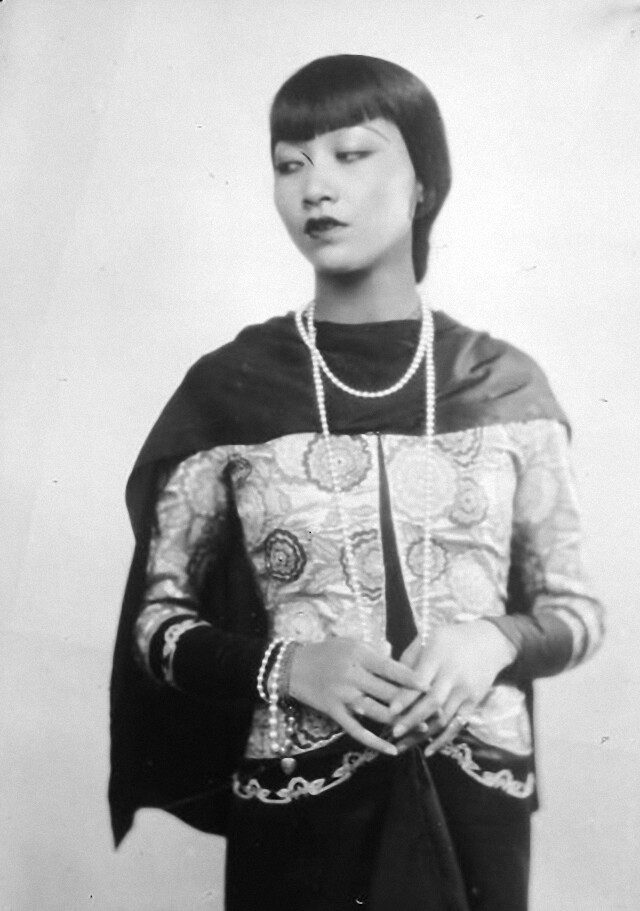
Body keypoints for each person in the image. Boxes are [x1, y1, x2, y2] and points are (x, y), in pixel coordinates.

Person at [109, 55, 604, 911]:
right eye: (291, 163)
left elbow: (577, 609)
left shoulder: (504, 385)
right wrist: (286, 665)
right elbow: (156, 626)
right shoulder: (228, 390)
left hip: (475, 800)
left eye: (351, 154)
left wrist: (496, 640)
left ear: (423, 182)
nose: (316, 188)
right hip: (299, 808)